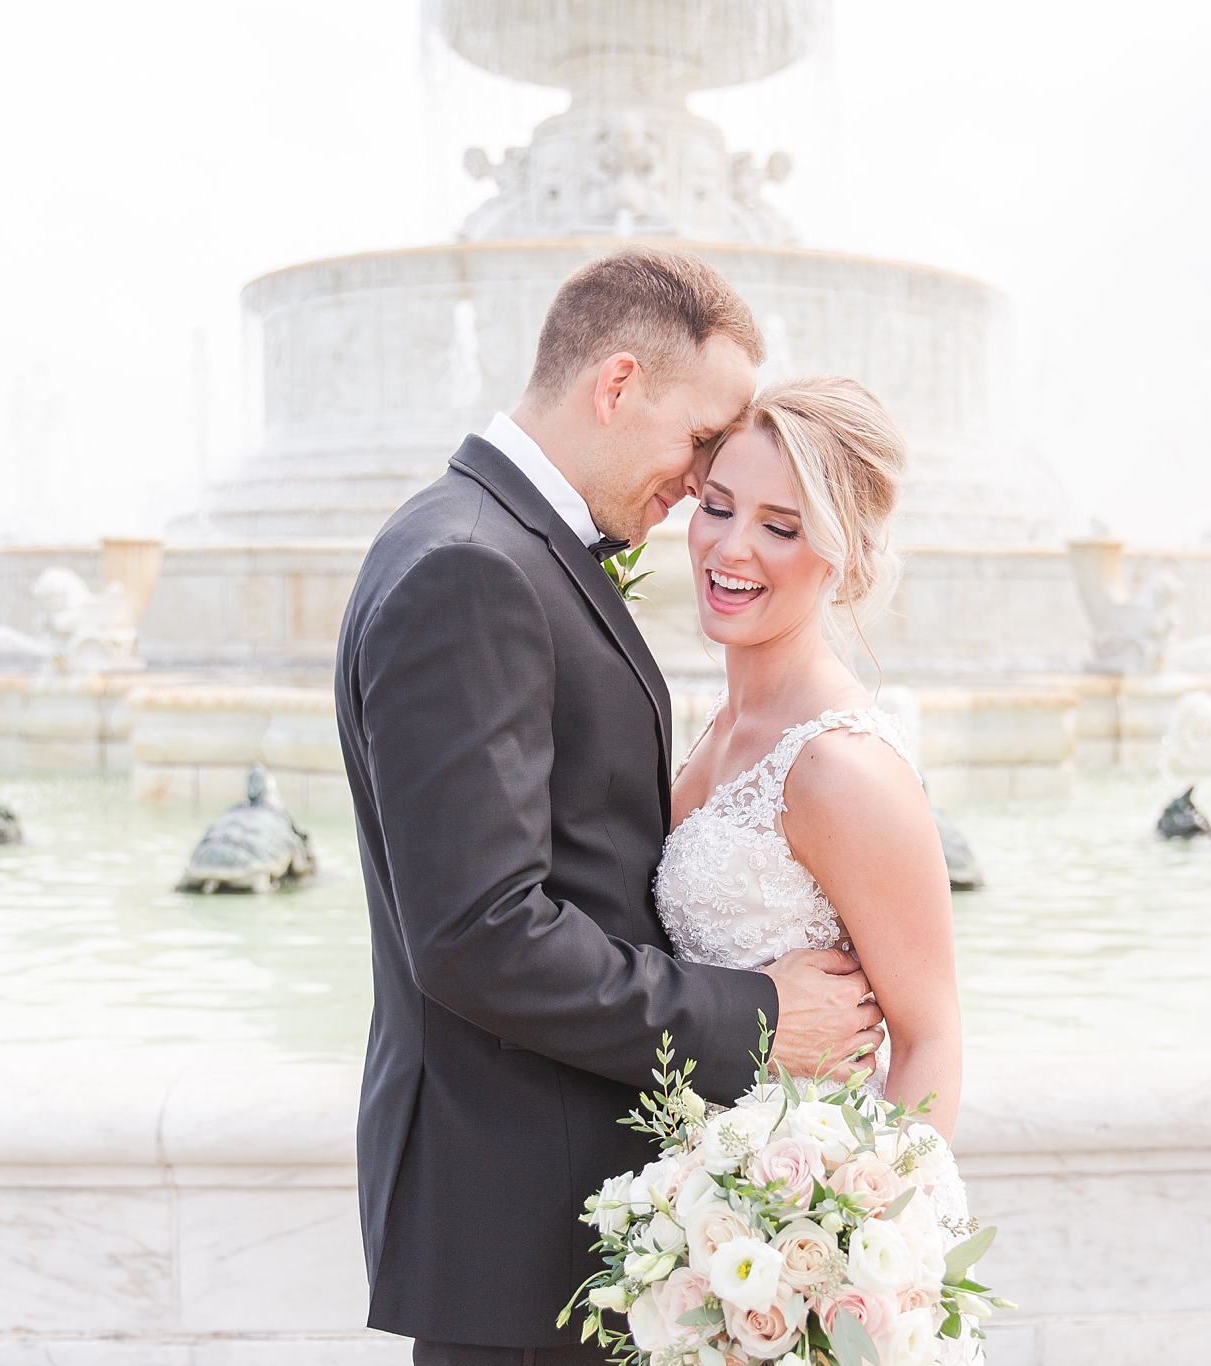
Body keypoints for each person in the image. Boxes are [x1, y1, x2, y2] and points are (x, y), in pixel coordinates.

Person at [334, 246, 885, 1366]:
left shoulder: (488, 544)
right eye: (696, 443)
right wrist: (761, 1018)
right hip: (521, 1238)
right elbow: (479, 937)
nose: (697, 483)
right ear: (617, 384)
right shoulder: (470, 570)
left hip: (568, 1229)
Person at [656, 375, 963, 1146]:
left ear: (842, 557)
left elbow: (930, 1040)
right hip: (684, 1203)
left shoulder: (841, 767)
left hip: (793, 1210)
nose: (731, 549)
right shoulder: (718, 726)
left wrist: (868, 1235)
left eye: (781, 528)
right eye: (718, 508)